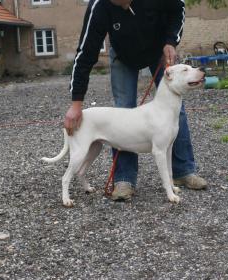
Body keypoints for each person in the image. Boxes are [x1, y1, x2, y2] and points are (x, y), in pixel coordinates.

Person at [65, 0, 207, 200]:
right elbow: (85, 53)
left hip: (159, 47)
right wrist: (76, 104)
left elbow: (179, 7)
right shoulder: (100, 5)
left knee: (176, 107)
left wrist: (171, 41)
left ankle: (183, 171)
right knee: (123, 111)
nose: (119, 5)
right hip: (123, 55)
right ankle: (124, 179)